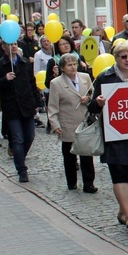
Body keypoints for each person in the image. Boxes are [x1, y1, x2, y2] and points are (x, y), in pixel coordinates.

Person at [89, 42, 128, 229]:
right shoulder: (104, 78)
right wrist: (98, 103)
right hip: (113, 134)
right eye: (124, 57)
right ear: (116, 57)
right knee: (118, 174)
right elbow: (91, 107)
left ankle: (123, 210)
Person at [0, 42, 43, 182]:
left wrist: (36, 102)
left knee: (30, 136)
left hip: (27, 105)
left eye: (14, 44)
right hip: (12, 107)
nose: (13, 46)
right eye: (9, 44)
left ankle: (20, 157)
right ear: (3, 47)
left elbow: (32, 83)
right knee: (18, 139)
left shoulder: (25, 62)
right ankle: (22, 170)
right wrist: (5, 79)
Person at [47, 53, 97, 193]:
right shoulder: (56, 83)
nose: (73, 67)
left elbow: (93, 93)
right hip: (67, 123)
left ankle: (89, 183)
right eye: (69, 65)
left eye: (74, 64)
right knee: (69, 156)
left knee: (87, 154)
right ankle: (72, 182)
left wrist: (88, 98)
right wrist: (55, 125)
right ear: (62, 68)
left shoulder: (85, 78)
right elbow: (52, 106)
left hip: (84, 122)